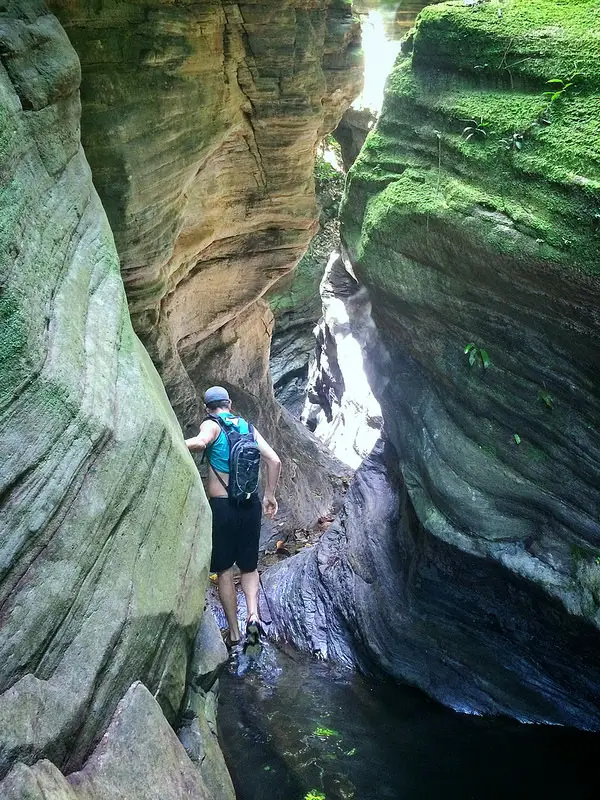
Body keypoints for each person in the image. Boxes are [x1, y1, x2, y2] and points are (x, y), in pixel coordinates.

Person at [185, 386, 281, 650]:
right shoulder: (247, 427)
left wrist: (177, 442)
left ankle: (236, 634)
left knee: (225, 570)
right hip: (250, 506)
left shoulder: (211, 425)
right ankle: (253, 616)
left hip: (223, 508)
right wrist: (270, 496)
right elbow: (274, 461)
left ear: (208, 408)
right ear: (229, 404)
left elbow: (201, 443)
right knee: (249, 567)